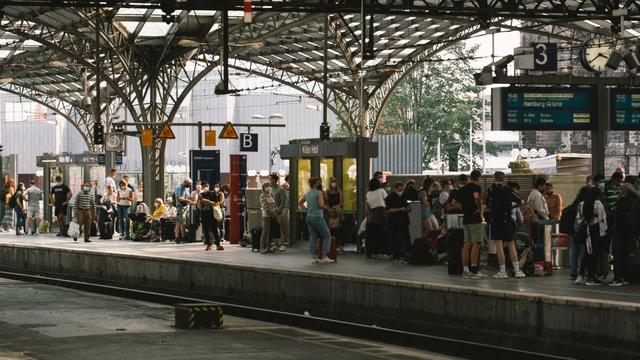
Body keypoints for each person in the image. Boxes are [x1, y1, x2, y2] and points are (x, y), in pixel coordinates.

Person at [484, 172, 526, 279]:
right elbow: (521, 201)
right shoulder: (508, 189)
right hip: (507, 219)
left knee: (499, 246)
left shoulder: (490, 190)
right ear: (503, 179)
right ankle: (517, 271)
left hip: (496, 220)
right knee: (511, 245)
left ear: (494, 178)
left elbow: (484, 204)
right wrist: (511, 208)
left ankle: (502, 272)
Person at [451, 170, 485, 279]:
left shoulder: (462, 189)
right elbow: (477, 199)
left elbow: (453, 203)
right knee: (476, 244)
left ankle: (465, 270)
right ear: (478, 178)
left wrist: (464, 207)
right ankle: (474, 270)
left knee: (466, 244)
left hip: (466, 219)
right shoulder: (476, 188)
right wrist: (480, 211)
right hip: (475, 219)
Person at [574, 186, 607, 286]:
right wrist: (604, 232)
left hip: (585, 230)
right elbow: (603, 219)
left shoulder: (581, 204)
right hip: (596, 231)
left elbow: (578, 220)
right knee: (594, 254)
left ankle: (581, 275)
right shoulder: (598, 204)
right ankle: (591, 277)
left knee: (588, 253)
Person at [299, 177, 334, 264]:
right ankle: (324, 256)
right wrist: (325, 207)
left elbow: (300, 203)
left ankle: (314, 257)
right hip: (317, 217)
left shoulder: (308, 194)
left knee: (313, 237)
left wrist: (307, 209)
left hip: (309, 217)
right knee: (327, 236)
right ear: (315, 184)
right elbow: (321, 205)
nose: (320, 184)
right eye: (318, 183)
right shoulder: (319, 193)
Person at [610, 183, 639, 286]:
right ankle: (627, 277)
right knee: (628, 254)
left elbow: (617, 216)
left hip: (620, 231)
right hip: (631, 232)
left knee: (618, 255)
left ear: (624, 191)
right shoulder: (635, 200)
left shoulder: (622, 201)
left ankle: (617, 278)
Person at [386, 182, 411, 264]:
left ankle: (407, 255)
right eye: (400, 190)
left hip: (404, 220)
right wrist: (400, 209)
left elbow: (407, 206)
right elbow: (388, 210)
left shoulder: (404, 195)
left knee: (406, 238)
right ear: (395, 189)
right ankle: (397, 255)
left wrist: (407, 208)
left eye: (402, 189)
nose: (401, 191)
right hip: (394, 222)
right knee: (396, 239)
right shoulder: (390, 198)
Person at [568, 187, 590, 280]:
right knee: (583, 250)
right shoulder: (585, 203)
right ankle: (583, 270)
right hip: (581, 230)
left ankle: (573, 271)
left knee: (574, 250)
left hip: (573, 230)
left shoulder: (575, 202)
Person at [366, 175, 389, 259]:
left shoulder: (368, 193)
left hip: (372, 214)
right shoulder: (381, 191)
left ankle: (373, 253)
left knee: (373, 235)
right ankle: (382, 252)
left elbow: (367, 206)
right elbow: (387, 201)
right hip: (381, 213)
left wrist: (368, 216)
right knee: (382, 233)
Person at [199, 181, 224, 251]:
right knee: (206, 230)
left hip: (212, 214)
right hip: (204, 214)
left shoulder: (212, 193)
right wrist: (200, 202)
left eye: (206, 186)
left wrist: (207, 201)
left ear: (208, 186)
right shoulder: (200, 195)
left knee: (214, 229)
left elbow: (216, 203)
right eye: (203, 186)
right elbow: (199, 206)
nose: (205, 187)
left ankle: (218, 244)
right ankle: (208, 245)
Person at [324, 176, 344, 253]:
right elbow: (326, 203)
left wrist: (337, 207)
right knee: (330, 229)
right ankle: (332, 245)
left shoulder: (339, 191)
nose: (333, 183)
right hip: (330, 213)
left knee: (339, 229)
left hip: (338, 212)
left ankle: (339, 245)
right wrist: (329, 210)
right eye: (332, 182)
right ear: (329, 183)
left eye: (335, 182)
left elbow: (341, 202)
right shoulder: (326, 192)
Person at [174, 178, 194, 244]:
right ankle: (177, 238)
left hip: (185, 207)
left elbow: (186, 197)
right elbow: (178, 197)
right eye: (189, 184)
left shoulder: (185, 189)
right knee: (179, 222)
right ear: (185, 182)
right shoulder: (179, 187)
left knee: (184, 223)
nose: (190, 185)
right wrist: (187, 200)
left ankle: (183, 237)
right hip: (180, 207)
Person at [270, 174, 287, 252]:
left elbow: (283, 202)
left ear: (275, 180)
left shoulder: (280, 190)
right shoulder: (270, 189)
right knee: (273, 228)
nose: (270, 181)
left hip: (278, 212)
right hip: (271, 212)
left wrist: (278, 211)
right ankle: (276, 244)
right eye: (269, 179)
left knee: (279, 228)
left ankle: (282, 244)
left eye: (271, 179)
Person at [259, 182, 277, 254]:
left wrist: (275, 212)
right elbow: (265, 206)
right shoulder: (262, 196)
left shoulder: (270, 195)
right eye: (268, 186)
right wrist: (271, 213)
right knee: (265, 231)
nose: (269, 188)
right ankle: (262, 247)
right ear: (264, 187)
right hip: (266, 215)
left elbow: (274, 204)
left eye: (269, 186)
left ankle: (268, 247)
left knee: (271, 231)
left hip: (273, 214)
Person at [280, 176, 290, 246]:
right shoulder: (284, 189)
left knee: (288, 224)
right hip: (286, 208)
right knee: (286, 224)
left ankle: (288, 238)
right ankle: (286, 239)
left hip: (290, 208)